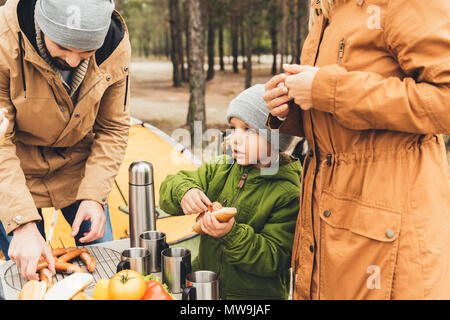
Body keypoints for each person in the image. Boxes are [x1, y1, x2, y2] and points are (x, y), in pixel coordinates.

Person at [264, 0, 450, 299]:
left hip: (389, 227)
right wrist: (291, 108)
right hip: (331, 217)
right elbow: (343, 117)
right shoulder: (328, 7)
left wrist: (329, 90)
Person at [0, 0, 131, 280]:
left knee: (107, 269)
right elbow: (0, 141)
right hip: (13, 171)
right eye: (62, 47)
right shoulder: (3, 39)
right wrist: (21, 224)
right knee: (26, 275)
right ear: (41, 21)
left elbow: (113, 128)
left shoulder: (115, 44)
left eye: (86, 52)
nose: (72, 62)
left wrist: (95, 196)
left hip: (78, 168)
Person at [159, 84, 301, 300]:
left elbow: (275, 258)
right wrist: (184, 192)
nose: (234, 138)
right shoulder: (220, 168)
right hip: (206, 289)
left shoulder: (288, 192)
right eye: (233, 128)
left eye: (248, 130)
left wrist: (231, 234)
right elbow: (170, 186)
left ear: (277, 138)